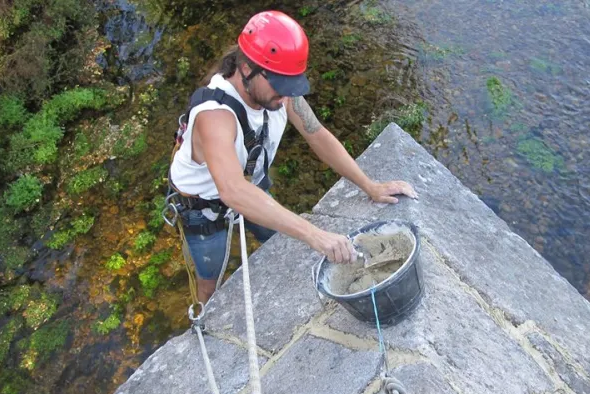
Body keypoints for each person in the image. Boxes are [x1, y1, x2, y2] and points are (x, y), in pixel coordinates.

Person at [168, 10, 418, 302]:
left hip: (253, 185)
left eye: (290, 84)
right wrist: (316, 235)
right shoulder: (215, 117)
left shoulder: (278, 93)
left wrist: (370, 186)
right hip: (203, 209)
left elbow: (317, 135)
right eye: (280, 84)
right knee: (210, 284)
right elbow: (233, 191)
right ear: (247, 68)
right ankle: (203, 325)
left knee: (280, 241)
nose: (286, 96)